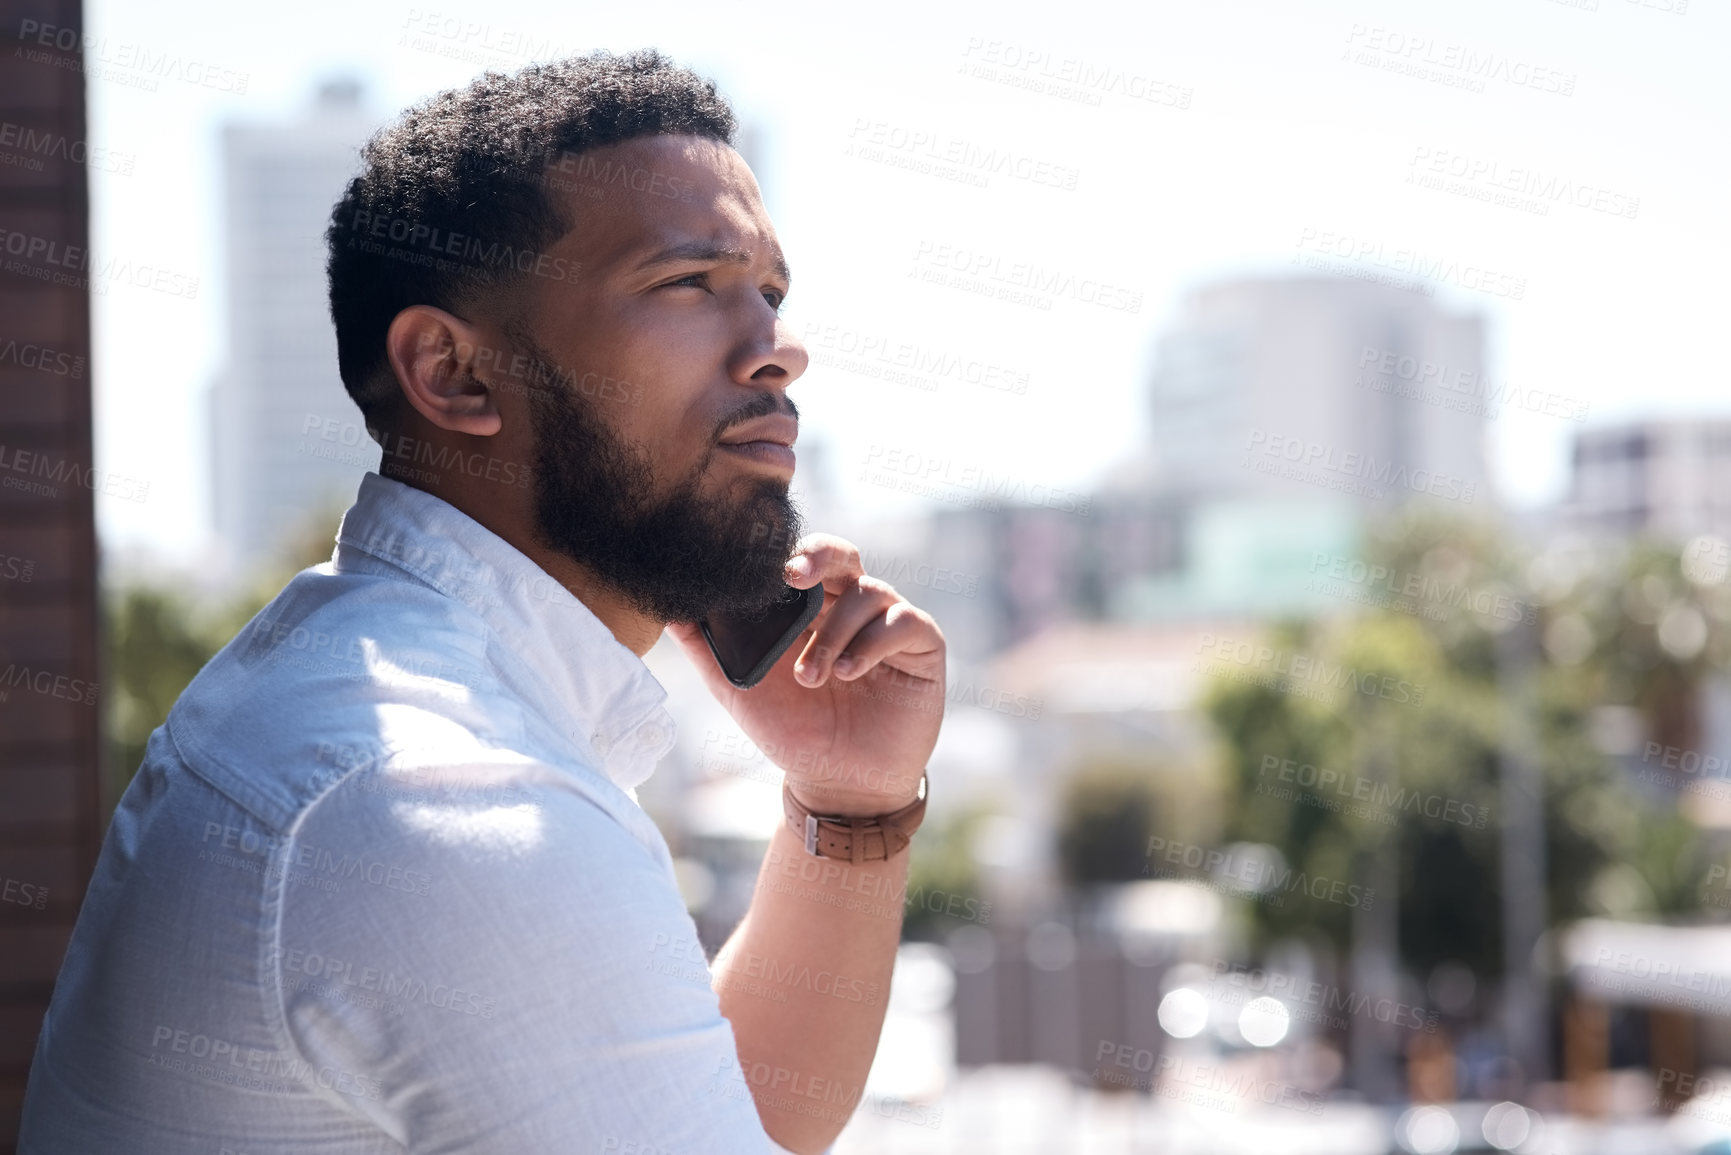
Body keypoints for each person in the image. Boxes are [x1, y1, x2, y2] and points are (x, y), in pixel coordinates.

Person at [19, 50, 945, 1155]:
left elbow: (744, 1119)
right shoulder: (437, 796)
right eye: (689, 284)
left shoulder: (384, 700)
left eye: (772, 293)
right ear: (454, 374)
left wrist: (851, 805)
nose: (778, 350)